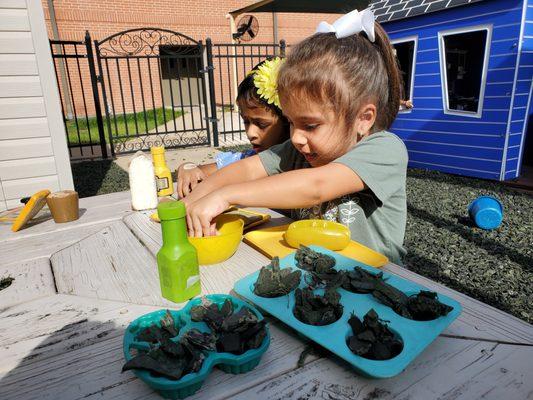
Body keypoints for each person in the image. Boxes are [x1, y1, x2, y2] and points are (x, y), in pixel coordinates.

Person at [182, 8, 409, 263]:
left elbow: (316, 187)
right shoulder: (298, 150)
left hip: (377, 286)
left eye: (310, 125)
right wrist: (190, 203)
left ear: (363, 119)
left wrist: (225, 196)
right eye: (290, 122)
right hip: (314, 278)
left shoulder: (385, 150)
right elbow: (246, 170)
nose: (297, 137)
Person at [176, 58, 289, 198]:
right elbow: (200, 171)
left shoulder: (302, 161)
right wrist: (188, 168)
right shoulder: (249, 158)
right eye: (246, 122)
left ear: (288, 120)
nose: (250, 133)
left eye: (261, 124)